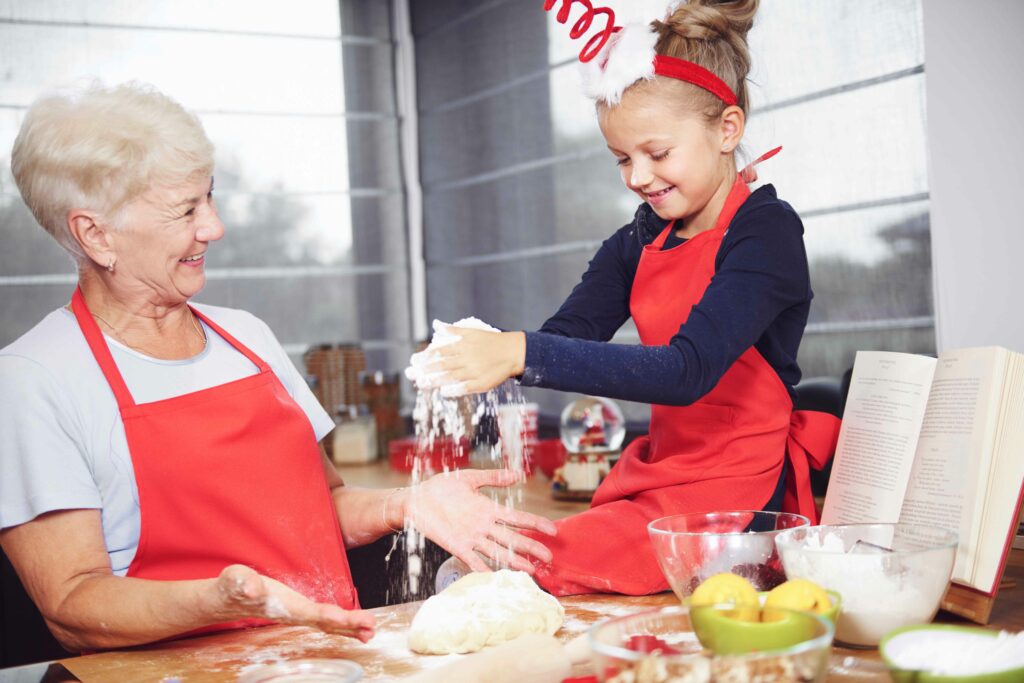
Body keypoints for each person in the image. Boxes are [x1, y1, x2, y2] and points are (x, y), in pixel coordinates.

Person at [0, 81, 557, 652]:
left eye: (209, 198)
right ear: (94, 234)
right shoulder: (36, 377)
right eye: (185, 210)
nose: (213, 227)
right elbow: (72, 604)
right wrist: (218, 601)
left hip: (329, 656)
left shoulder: (247, 337)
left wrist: (405, 503)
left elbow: (323, 508)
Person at [425, 0, 840, 596]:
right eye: (622, 158)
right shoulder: (639, 239)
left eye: (657, 153)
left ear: (728, 128)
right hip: (661, 476)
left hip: (736, 496)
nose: (637, 177)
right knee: (509, 554)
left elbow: (686, 371)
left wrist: (520, 352)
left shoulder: (765, 233)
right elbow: (566, 337)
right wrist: (485, 347)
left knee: (526, 568)